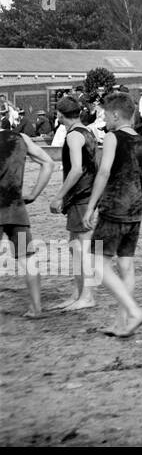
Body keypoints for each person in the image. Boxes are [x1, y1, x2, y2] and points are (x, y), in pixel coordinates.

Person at [84, 93, 142, 336]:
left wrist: (91, 206)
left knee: (96, 262)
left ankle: (134, 312)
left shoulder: (112, 137)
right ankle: (122, 323)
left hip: (114, 207)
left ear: (114, 114)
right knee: (126, 265)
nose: (103, 119)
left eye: (104, 115)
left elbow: (103, 173)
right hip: (135, 209)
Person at [49, 96, 99, 311]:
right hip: (84, 196)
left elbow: (77, 169)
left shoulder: (73, 136)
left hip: (81, 196)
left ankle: (87, 296)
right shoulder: (87, 132)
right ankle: (79, 293)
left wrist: (59, 195)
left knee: (81, 247)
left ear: (60, 114)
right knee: (76, 246)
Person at [0, 125, 56, 318]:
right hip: (16, 209)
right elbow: (48, 163)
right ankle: (36, 308)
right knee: (28, 258)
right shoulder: (20, 138)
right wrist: (33, 194)